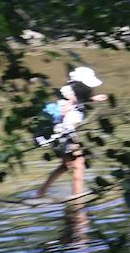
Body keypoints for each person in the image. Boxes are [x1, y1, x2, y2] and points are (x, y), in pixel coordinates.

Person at [35, 66, 107, 199]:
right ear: (81, 83)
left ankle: (40, 193)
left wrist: (93, 99)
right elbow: (68, 105)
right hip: (63, 134)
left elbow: (76, 102)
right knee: (78, 164)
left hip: (64, 133)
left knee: (65, 165)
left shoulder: (74, 91)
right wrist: (66, 111)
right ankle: (77, 198)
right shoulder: (69, 92)